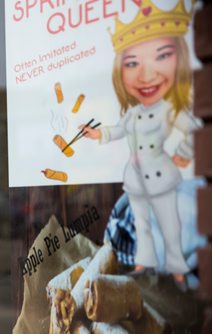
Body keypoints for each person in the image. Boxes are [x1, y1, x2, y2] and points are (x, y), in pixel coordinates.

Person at [82, 0, 202, 291]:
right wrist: (98, 136)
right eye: (132, 63)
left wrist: (184, 154)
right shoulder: (134, 113)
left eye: (161, 56)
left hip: (161, 175)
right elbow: (118, 130)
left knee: (169, 224)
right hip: (135, 178)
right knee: (142, 224)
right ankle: (142, 265)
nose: (146, 75)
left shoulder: (170, 110)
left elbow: (195, 129)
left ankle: (176, 269)